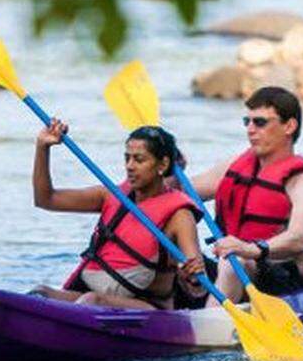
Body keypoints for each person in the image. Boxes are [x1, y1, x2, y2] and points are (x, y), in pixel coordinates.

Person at [31, 118, 205, 310]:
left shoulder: (180, 215)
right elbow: (45, 199)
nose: (130, 166)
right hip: (94, 300)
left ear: (162, 165)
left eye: (139, 159)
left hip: (149, 309)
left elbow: (197, 286)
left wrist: (192, 276)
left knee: (91, 301)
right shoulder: (111, 196)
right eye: (127, 158)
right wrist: (42, 147)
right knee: (40, 293)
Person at [186, 86, 303, 303]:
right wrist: (166, 167)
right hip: (233, 268)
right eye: (248, 122)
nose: (250, 129)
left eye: (260, 122)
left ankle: (209, 327)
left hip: (283, 278)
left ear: (289, 126)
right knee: (170, 226)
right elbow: (182, 192)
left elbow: (298, 239)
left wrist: (248, 249)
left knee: (235, 261)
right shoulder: (236, 167)